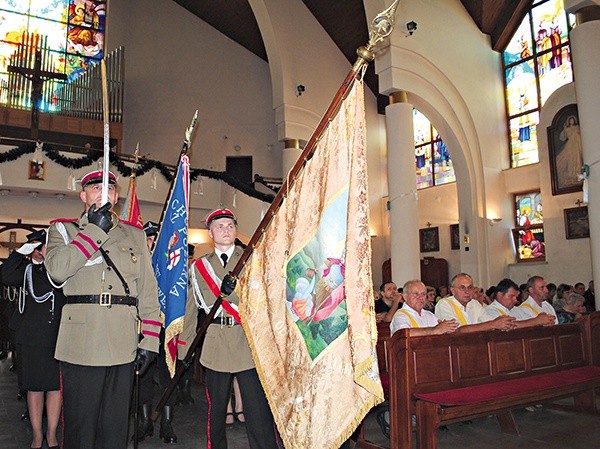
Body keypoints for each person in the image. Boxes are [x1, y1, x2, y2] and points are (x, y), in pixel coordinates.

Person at [45, 170, 161, 449]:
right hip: (82, 343)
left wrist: (150, 339)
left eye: (108, 188)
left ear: (116, 196)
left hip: (123, 341)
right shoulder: (63, 231)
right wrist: (95, 230)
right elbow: (58, 272)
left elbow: (147, 290)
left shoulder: (134, 235)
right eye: (95, 188)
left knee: (115, 427)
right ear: (83, 195)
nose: (102, 193)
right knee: (80, 427)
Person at [181, 208, 280, 449]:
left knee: (258, 411)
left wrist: (232, 293)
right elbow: (191, 309)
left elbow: (261, 299)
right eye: (220, 226)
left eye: (230, 226)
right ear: (210, 233)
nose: (226, 230)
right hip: (216, 344)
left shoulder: (251, 260)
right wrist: (184, 349)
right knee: (216, 414)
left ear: (235, 231)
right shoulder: (199, 267)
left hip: (247, 343)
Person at [1, 230, 66, 449]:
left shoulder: (63, 274)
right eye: (48, 247)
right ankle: (37, 435)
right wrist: (20, 253)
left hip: (58, 337)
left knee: (56, 388)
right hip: (32, 339)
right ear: (37, 251)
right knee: (35, 388)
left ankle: (52, 434)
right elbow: (5, 275)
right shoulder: (29, 271)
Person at [132, 220, 178, 444]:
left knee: (169, 377)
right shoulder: (136, 264)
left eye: (154, 240)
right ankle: (144, 422)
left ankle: (166, 424)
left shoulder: (171, 267)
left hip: (167, 330)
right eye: (148, 239)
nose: (151, 244)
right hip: (144, 330)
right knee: (143, 378)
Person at [435, 273, 517, 333]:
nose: (467, 291)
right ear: (452, 290)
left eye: (470, 288)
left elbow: (489, 320)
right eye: (462, 288)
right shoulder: (444, 304)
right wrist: (493, 324)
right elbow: (457, 331)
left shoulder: (474, 304)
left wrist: (504, 323)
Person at [390, 280, 459, 336]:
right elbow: (403, 334)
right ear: (405, 296)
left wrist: (447, 328)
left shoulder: (429, 315)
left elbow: (440, 329)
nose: (420, 298)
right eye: (416, 294)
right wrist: (435, 330)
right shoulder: (400, 316)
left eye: (423, 294)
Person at [479, 278, 555, 328]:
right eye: (511, 296)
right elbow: (507, 326)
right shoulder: (490, 310)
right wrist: (537, 321)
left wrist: (544, 322)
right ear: (500, 295)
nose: (515, 300)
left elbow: (529, 322)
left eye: (516, 296)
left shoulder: (517, 310)